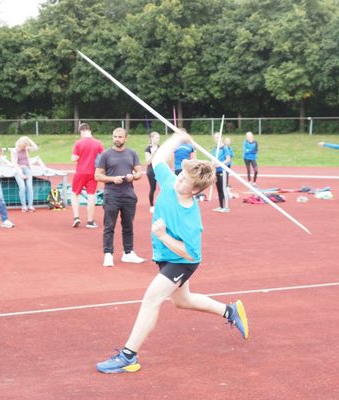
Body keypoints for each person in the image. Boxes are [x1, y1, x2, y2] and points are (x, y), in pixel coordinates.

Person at [96, 129, 249, 374]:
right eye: (180, 175)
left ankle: (128, 356)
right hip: (166, 257)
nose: (178, 179)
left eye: (184, 180)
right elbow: (157, 160)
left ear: (194, 190)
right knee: (183, 301)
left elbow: (191, 253)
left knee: (152, 299)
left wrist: (164, 236)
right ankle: (229, 311)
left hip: (182, 262)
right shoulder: (170, 183)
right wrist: (178, 138)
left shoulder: (190, 216)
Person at [95, 127, 145, 267]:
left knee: (128, 226)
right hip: (112, 195)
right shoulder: (106, 155)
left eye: (120, 137)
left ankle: (128, 253)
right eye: (115, 136)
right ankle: (108, 254)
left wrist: (132, 176)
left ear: (125, 138)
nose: (117, 139)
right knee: (109, 226)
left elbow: (139, 173)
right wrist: (112, 179)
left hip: (128, 195)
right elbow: (97, 175)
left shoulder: (132, 153)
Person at [71, 123, 104, 229]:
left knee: (74, 194)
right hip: (93, 173)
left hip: (80, 172)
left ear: (81, 131)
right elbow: (103, 158)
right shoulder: (98, 143)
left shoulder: (78, 143)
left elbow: (74, 158)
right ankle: (90, 221)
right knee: (91, 195)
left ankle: (76, 217)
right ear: (89, 130)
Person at [11, 136, 40, 212]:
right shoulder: (14, 151)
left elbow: (36, 148)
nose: (24, 147)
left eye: (25, 146)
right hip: (18, 170)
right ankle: (24, 206)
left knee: (30, 187)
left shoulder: (26, 149)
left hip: (27, 168)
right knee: (22, 187)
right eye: (23, 146)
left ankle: (30, 205)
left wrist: (28, 139)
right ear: (20, 144)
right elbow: (15, 164)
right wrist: (21, 175)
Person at [212, 132, 231, 212]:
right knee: (219, 189)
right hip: (216, 170)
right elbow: (213, 159)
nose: (217, 139)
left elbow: (228, 159)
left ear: (221, 138)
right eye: (215, 137)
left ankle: (226, 207)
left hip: (223, 170)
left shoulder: (224, 148)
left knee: (224, 189)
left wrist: (220, 164)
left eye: (218, 137)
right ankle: (221, 206)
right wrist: (213, 164)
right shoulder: (215, 148)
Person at [144, 131, 160, 213]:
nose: (158, 139)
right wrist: (153, 153)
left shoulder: (160, 147)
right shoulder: (148, 148)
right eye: (156, 137)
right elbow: (148, 162)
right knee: (153, 188)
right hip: (151, 170)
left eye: (158, 138)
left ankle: (162, 204)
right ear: (151, 138)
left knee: (163, 188)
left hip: (159, 169)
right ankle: (152, 205)